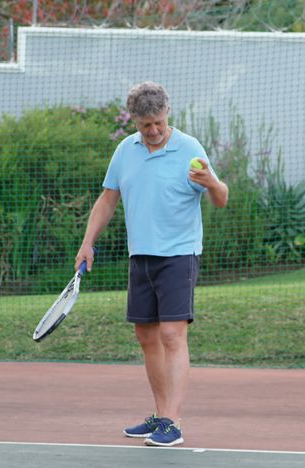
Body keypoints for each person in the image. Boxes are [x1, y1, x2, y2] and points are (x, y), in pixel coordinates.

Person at [75, 81, 228, 447]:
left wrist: (210, 183)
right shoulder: (125, 151)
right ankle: (161, 417)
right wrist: (87, 244)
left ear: (167, 114)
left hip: (179, 254)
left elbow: (221, 198)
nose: (154, 131)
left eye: (159, 122)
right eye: (146, 125)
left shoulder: (189, 148)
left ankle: (173, 423)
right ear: (135, 121)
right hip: (140, 255)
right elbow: (108, 200)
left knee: (172, 335)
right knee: (146, 337)